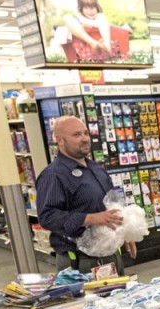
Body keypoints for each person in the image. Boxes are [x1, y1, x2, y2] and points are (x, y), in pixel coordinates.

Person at [36, 116, 135, 273]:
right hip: (79, 262)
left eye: (85, 133)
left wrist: (126, 232)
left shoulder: (97, 169)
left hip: (111, 257)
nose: (84, 139)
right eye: (76, 135)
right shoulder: (54, 175)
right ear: (60, 140)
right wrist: (91, 218)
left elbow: (112, 205)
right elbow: (48, 217)